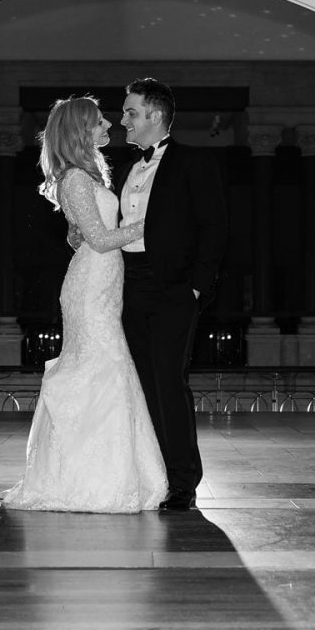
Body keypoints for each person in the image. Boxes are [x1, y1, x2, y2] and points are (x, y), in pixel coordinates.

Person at [0, 96, 167, 513]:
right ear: (80, 130)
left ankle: (104, 472)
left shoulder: (81, 176)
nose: (108, 123)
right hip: (92, 284)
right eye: (98, 121)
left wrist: (86, 231)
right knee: (104, 366)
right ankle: (95, 479)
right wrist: (153, 223)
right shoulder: (75, 178)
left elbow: (80, 235)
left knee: (103, 367)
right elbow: (101, 240)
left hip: (100, 281)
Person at [112, 77, 228, 510]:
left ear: (154, 116)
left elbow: (213, 227)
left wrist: (196, 286)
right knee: (141, 385)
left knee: (168, 382)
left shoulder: (194, 163)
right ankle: (153, 475)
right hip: (129, 285)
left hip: (174, 289)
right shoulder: (125, 168)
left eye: (130, 112)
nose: (123, 119)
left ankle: (183, 481)